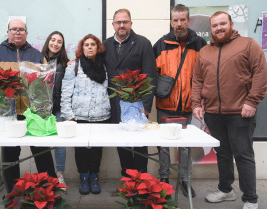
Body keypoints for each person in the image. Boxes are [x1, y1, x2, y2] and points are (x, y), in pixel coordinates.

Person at [191, 11, 267, 209]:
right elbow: (198, 79)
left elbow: (261, 74)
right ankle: (226, 190)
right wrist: (196, 104)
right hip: (214, 113)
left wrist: (252, 101)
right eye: (215, 26)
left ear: (231, 24)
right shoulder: (205, 52)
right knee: (222, 153)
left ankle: (250, 199)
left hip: (240, 112)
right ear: (211, 29)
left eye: (222, 24)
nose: (219, 28)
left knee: (243, 154)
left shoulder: (248, 44)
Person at [0, 18, 56, 193]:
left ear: (26, 33)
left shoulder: (37, 56)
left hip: (33, 112)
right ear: (7, 31)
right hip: (8, 113)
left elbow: (45, 84)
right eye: (14, 29)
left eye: (21, 29)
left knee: (42, 152)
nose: (17, 32)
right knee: (10, 155)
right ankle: (13, 193)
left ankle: (51, 190)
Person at [153, 4, 206, 198]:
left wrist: (200, 101)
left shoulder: (200, 44)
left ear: (189, 21)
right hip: (165, 105)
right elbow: (153, 74)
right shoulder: (160, 44)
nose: (179, 23)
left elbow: (205, 75)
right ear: (171, 21)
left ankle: (185, 180)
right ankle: (164, 180)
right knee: (164, 146)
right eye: (175, 20)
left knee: (185, 147)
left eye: (183, 19)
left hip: (189, 106)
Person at [103, 9, 156, 180]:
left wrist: (146, 107)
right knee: (122, 143)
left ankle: (141, 180)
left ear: (131, 23)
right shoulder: (106, 44)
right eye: (118, 22)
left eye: (125, 22)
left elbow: (150, 76)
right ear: (113, 24)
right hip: (115, 104)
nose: (122, 25)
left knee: (139, 145)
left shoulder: (143, 43)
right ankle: (127, 178)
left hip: (137, 103)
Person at [61, 34, 110, 195]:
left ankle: (94, 177)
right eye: (86, 45)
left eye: (93, 45)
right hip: (79, 116)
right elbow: (66, 92)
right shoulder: (74, 66)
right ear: (81, 48)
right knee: (81, 149)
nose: (89, 47)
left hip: (101, 115)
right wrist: (68, 115)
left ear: (98, 48)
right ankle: (83, 177)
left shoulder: (105, 66)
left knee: (96, 149)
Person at [41, 31, 70, 189]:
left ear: (62, 45)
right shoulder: (38, 59)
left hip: (58, 108)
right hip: (41, 109)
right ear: (48, 41)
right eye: (53, 40)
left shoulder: (65, 63)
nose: (55, 44)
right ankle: (45, 176)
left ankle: (59, 175)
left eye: (59, 41)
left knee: (60, 143)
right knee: (41, 143)